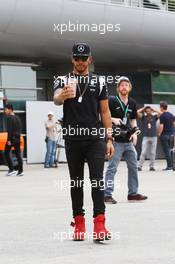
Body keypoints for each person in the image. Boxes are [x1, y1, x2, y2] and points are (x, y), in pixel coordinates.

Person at [53, 43, 114, 241]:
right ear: (72, 59)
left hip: (95, 138)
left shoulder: (100, 81)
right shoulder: (63, 80)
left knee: (97, 180)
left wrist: (110, 138)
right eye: (77, 58)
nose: (80, 62)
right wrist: (61, 95)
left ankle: (100, 224)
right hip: (72, 138)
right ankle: (78, 224)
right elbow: (56, 99)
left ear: (90, 59)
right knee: (76, 182)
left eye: (84, 58)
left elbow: (105, 112)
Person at [104, 76, 148, 204]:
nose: (124, 87)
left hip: (127, 141)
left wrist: (135, 133)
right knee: (112, 168)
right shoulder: (111, 100)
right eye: (121, 85)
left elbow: (133, 120)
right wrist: (112, 119)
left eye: (126, 85)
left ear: (130, 88)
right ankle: (107, 194)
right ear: (118, 88)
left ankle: (133, 193)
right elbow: (102, 115)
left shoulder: (132, 103)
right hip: (115, 140)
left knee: (134, 166)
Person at [137, 106, 161, 171]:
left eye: (149, 111)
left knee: (153, 152)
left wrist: (154, 110)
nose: (148, 112)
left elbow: (161, 114)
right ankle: (139, 166)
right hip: (146, 136)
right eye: (147, 111)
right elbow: (137, 112)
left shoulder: (154, 117)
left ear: (151, 111)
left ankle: (151, 166)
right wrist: (143, 108)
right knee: (143, 152)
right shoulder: (143, 117)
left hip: (154, 136)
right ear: (145, 111)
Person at [4, 104, 23, 176]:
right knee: (18, 154)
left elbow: (9, 130)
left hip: (11, 139)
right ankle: (20, 171)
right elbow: (19, 128)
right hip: (18, 138)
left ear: (10, 109)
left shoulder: (9, 117)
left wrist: (8, 140)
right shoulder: (17, 117)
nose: (5, 111)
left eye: (6, 110)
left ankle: (11, 169)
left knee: (6, 152)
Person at [158, 101, 175, 170]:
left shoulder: (162, 116)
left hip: (164, 135)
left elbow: (161, 126)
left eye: (160, 107)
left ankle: (169, 166)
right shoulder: (171, 115)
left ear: (162, 107)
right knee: (171, 150)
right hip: (171, 135)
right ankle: (172, 165)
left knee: (166, 151)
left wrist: (159, 133)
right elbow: (174, 124)